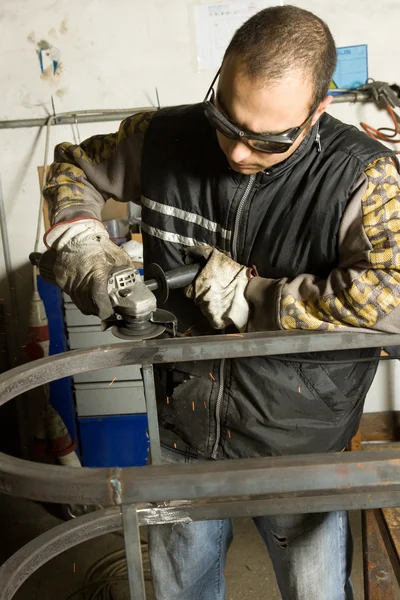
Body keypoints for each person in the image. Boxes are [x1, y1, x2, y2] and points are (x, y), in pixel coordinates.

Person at [43, 5, 400, 599]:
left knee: (315, 592)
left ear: (318, 112)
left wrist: (256, 301)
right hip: (183, 427)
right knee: (183, 588)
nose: (237, 152)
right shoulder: (162, 139)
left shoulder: (363, 178)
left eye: (268, 140)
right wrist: (81, 238)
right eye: (226, 122)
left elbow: (391, 294)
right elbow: (72, 168)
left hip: (299, 443)